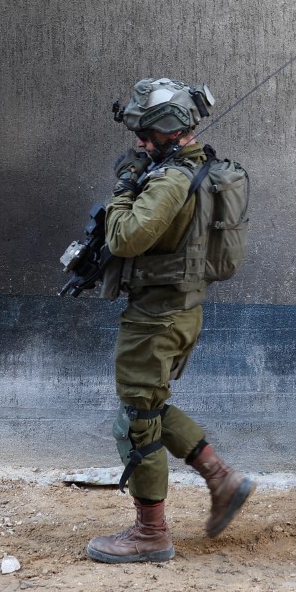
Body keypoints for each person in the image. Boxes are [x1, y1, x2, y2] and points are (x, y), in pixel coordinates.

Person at [84, 77, 254, 564]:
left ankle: (150, 533)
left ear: (169, 130)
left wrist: (123, 187)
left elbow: (125, 238)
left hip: (155, 317)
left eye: (144, 134)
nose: (138, 143)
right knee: (149, 404)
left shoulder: (171, 179)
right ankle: (222, 478)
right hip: (178, 309)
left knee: (137, 418)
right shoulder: (196, 168)